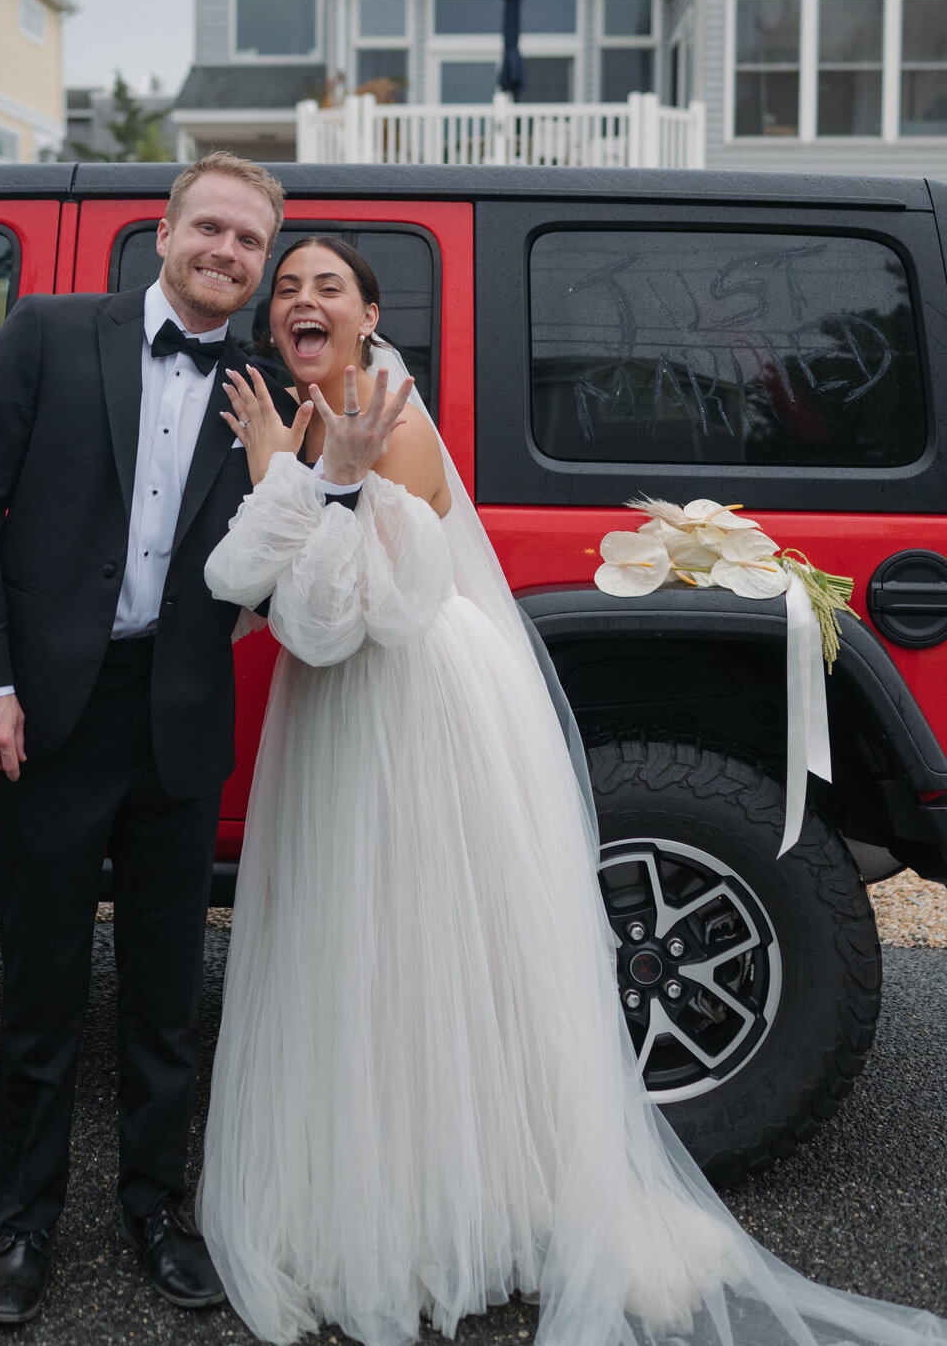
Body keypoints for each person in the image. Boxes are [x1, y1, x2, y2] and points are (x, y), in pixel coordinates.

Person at [199, 235, 947, 1346]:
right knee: (358, 948)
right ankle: (397, 1188)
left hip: (410, 704)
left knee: (414, 951)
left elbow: (345, 615)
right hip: (347, 708)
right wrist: (290, 466)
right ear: (276, 328)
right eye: (289, 291)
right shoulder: (315, 416)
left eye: (329, 288)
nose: (303, 301)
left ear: (368, 313)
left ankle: (440, 1217)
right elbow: (266, 594)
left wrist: (286, 476)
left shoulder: (384, 418)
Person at [0, 157, 408, 1328]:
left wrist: (331, 473)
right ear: (164, 230)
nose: (229, 252)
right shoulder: (47, 332)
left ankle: (157, 1208)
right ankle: (23, 1222)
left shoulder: (268, 380)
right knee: (39, 983)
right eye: (213, 228)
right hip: (46, 711)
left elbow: (304, 533)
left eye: (251, 242)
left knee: (165, 993)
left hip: (182, 710)